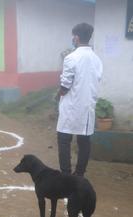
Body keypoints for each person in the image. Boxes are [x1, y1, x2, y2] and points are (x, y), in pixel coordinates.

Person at [56, 23, 103, 177]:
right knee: (84, 142)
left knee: (64, 139)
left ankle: (66, 175)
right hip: (88, 107)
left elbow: (65, 86)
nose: (72, 39)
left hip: (72, 106)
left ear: (76, 37)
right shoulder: (97, 59)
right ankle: (79, 175)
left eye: (73, 36)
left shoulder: (71, 58)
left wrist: (58, 94)